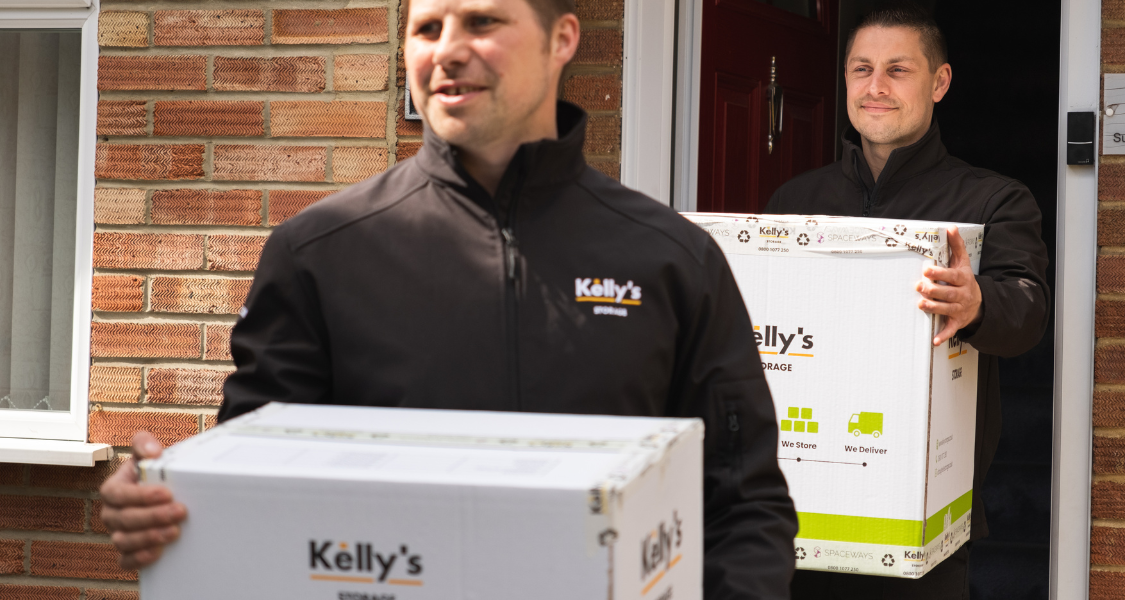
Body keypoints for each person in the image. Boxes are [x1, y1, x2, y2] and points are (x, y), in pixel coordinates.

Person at [97, 0, 799, 596]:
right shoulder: (319, 253)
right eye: (428, 29)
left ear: (563, 40)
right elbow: (257, 491)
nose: (450, 51)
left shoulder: (673, 259)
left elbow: (746, 505)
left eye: (483, 22)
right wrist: (167, 505)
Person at [765, 4, 1050, 599]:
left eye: (898, 70)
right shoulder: (795, 201)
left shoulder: (994, 200)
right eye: (861, 69)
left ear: (939, 83)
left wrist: (977, 304)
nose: (875, 87)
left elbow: (1026, 313)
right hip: (800, 511)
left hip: (925, 518)